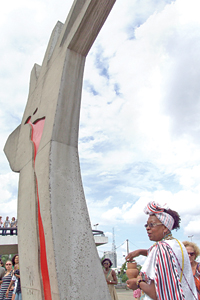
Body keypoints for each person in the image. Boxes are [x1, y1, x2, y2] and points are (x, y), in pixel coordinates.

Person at [126, 201, 198, 300]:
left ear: (165, 227)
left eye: (152, 224)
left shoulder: (160, 248)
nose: (147, 228)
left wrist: (138, 282)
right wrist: (139, 252)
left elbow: (156, 294)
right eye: (146, 225)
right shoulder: (177, 244)